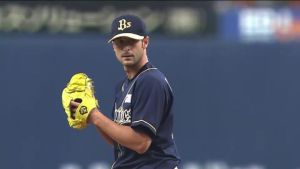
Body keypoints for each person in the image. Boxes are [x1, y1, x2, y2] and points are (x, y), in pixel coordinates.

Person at [71, 14, 181, 169]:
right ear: (113, 47)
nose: (126, 48)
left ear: (145, 42)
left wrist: (96, 116)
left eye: (132, 41)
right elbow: (120, 142)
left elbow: (141, 143)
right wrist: (90, 115)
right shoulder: (123, 86)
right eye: (120, 42)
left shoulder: (150, 81)